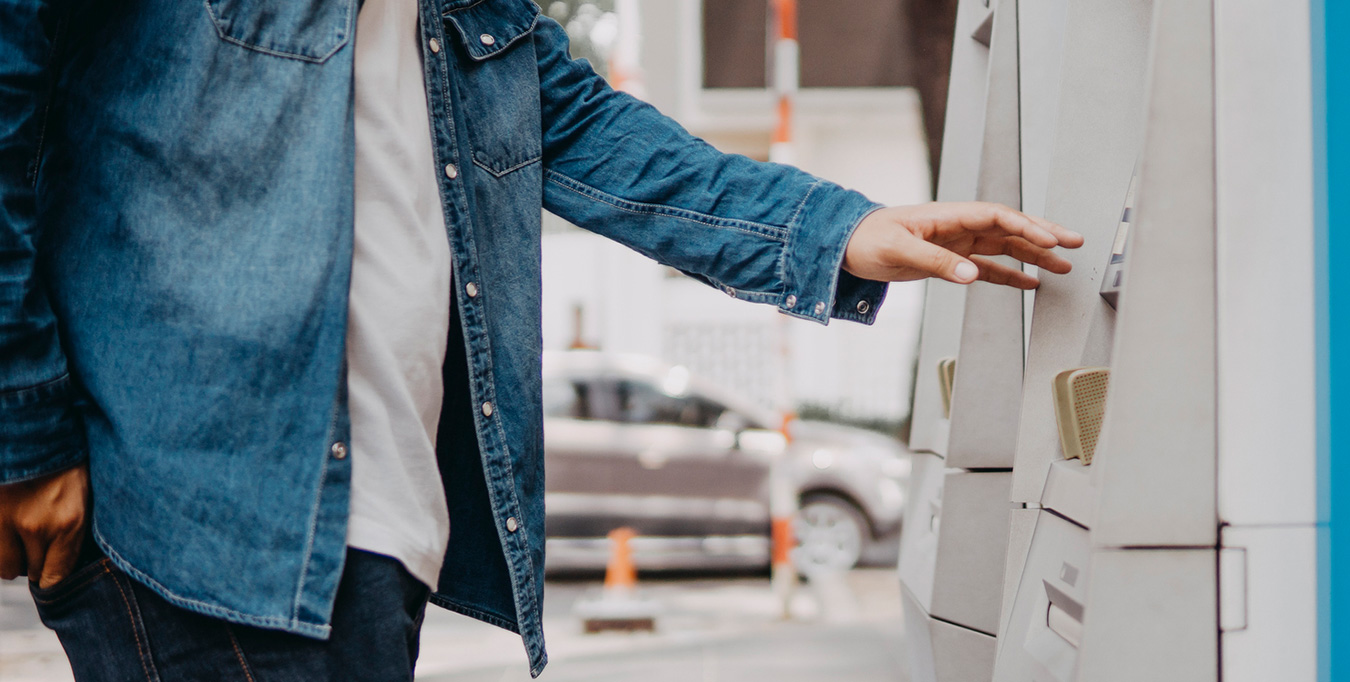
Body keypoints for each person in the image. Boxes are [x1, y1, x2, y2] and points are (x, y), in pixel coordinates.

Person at [0, 0, 1080, 678]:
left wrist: (840, 230)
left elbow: (571, 123)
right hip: (198, 511)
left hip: (381, 530)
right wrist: (26, 433)